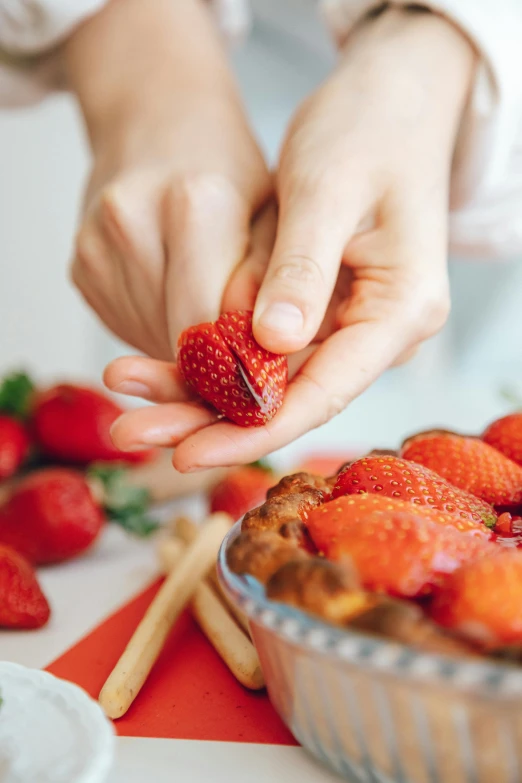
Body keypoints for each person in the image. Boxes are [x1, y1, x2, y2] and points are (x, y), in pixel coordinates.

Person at [2, 0, 521, 471]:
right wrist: (142, 65)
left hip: (486, 68)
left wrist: (428, 55)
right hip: (199, 49)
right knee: (177, 258)